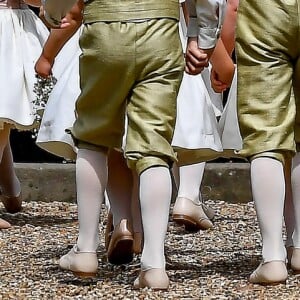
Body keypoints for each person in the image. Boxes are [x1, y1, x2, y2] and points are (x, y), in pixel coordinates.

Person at [235, 0, 300, 284]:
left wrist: (206, 36)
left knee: (265, 132)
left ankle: (273, 255)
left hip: (265, 10)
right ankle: (299, 245)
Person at [0, 0, 49, 228]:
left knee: (5, 115)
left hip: (11, 24)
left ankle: (10, 189)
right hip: (8, 28)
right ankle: (10, 189)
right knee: (4, 112)